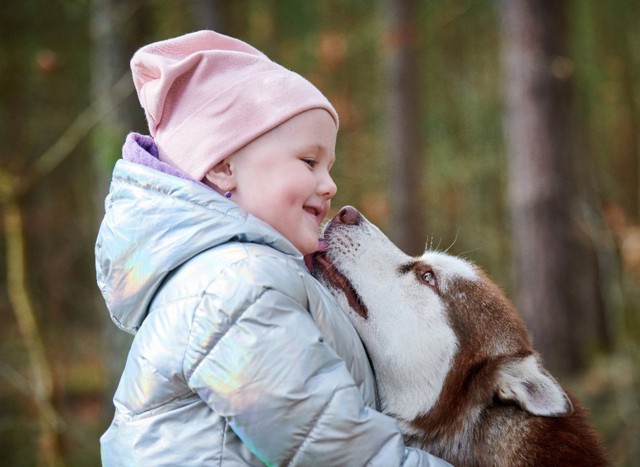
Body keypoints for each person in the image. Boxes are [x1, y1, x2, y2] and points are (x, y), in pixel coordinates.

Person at [96, 30, 450, 466]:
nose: (330, 184)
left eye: (329, 166)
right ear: (224, 167)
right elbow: (331, 448)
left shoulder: (248, 275)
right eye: (309, 161)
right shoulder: (234, 287)